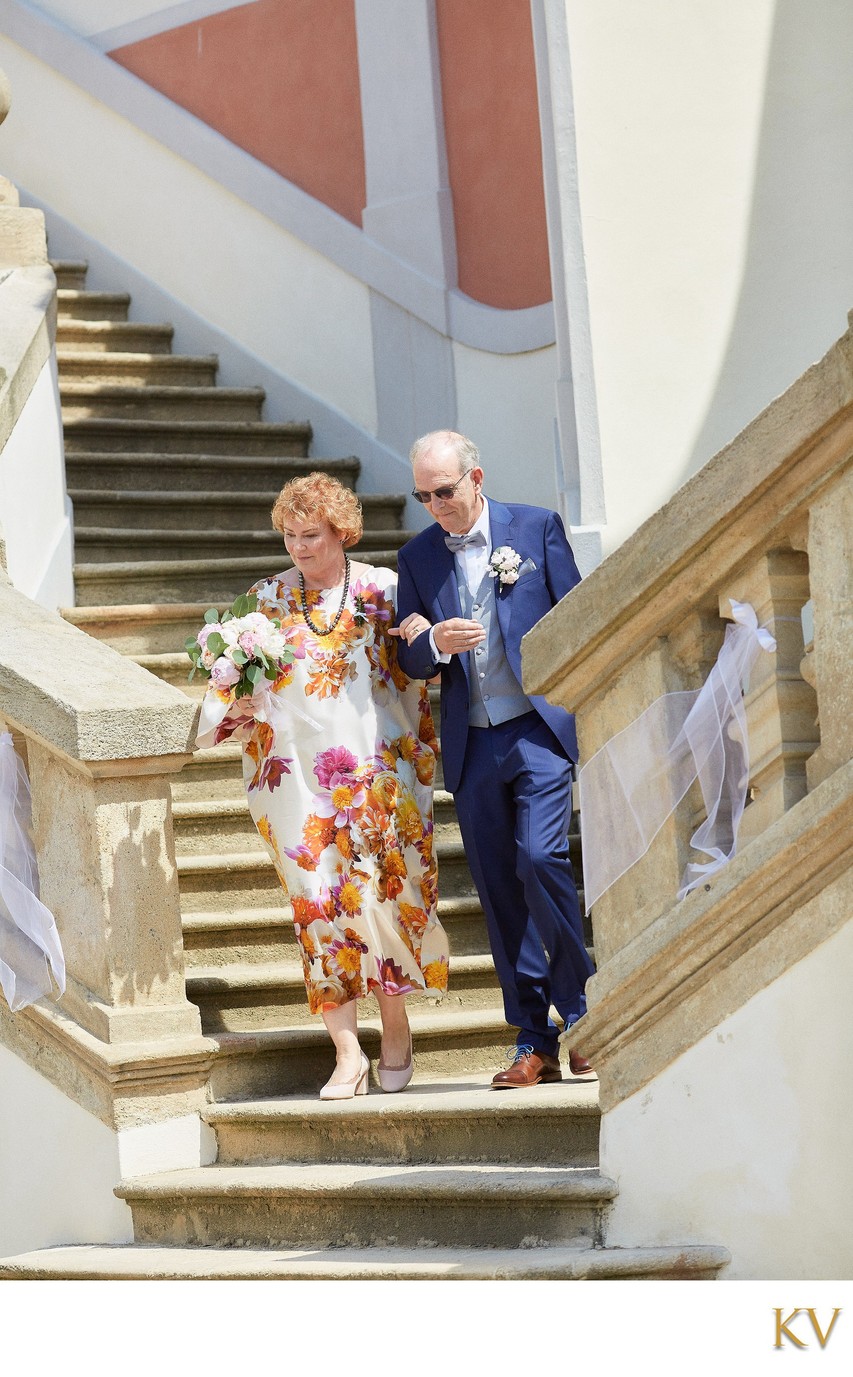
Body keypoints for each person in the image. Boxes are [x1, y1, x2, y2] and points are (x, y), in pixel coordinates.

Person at [196, 473, 448, 1099]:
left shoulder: (384, 592)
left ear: (342, 532)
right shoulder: (264, 600)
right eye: (290, 536)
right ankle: (347, 1054)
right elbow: (227, 688)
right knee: (314, 905)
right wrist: (239, 701)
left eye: (311, 535)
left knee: (381, 900)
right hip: (295, 785)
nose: (300, 548)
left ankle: (396, 1030)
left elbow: (421, 672)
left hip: (376, 775)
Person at [391, 430, 594, 1089]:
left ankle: (586, 1014)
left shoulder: (535, 529)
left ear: (475, 476)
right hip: (474, 743)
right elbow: (407, 653)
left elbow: (578, 615)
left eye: (443, 491)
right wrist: (435, 645)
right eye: (423, 495)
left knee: (539, 859)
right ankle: (533, 1037)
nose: (434, 505)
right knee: (499, 893)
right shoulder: (418, 556)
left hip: (535, 729)